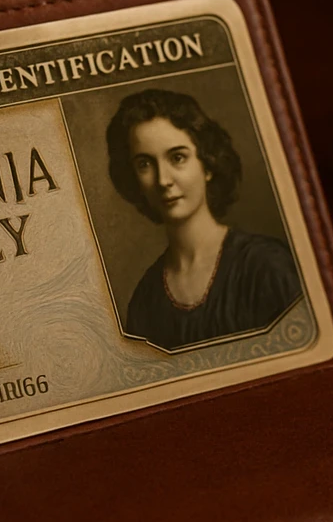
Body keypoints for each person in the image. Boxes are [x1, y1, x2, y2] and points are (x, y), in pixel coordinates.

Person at [105, 88, 302, 351]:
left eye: (177, 158)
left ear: (207, 164)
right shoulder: (146, 298)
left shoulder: (267, 266)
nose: (163, 180)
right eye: (145, 164)